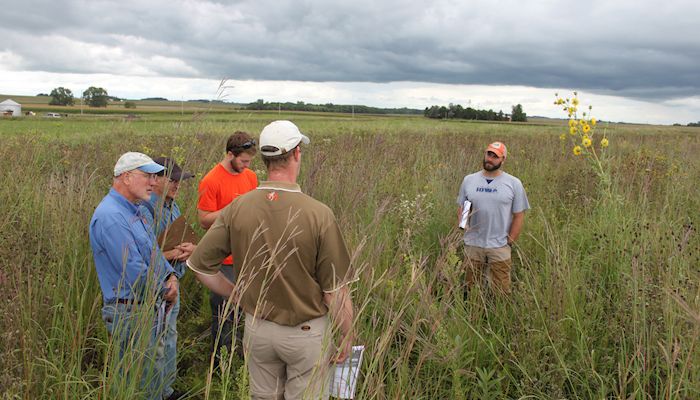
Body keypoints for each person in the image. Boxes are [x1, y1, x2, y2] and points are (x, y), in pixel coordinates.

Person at [187, 120, 355, 399]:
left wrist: (238, 295)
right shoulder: (319, 214)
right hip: (306, 333)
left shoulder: (238, 207)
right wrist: (348, 334)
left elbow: (199, 267)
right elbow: (334, 291)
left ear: (264, 159)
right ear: (297, 153)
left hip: (258, 329)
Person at [89, 152, 178, 399]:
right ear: (126, 178)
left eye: (154, 176)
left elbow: (154, 252)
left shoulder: (136, 211)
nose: (153, 182)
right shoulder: (111, 217)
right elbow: (135, 271)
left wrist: (171, 276)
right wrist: (165, 290)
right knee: (139, 385)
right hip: (130, 314)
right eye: (147, 176)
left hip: (146, 308)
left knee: (152, 378)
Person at [197, 131, 258, 359]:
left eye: (249, 161)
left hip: (248, 256)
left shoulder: (250, 177)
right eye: (243, 161)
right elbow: (204, 220)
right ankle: (222, 362)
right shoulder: (211, 180)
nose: (246, 166)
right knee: (224, 311)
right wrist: (232, 209)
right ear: (230, 154)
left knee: (245, 309)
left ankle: (241, 354)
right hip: (224, 261)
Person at [139, 157, 196, 400]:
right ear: (156, 179)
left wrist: (188, 250)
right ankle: (154, 393)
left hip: (174, 280)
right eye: (172, 180)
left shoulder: (174, 206)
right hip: (156, 286)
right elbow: (140, 255)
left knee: (170, 338)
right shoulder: (146, 209)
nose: (177, 185)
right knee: (156, 345)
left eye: (179, 181)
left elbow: (180, 239)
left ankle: (167, 390)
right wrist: (173, 253)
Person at [456, 141, 530, 295]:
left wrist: (509, 241)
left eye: (495, 156)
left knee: (501, 291)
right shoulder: (469, 180)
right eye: (488, 154)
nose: (490, 159)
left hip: (499, 246)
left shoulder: (513, 183)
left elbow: (518, 215)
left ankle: (496, 317)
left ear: (503, 160)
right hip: (473, 244)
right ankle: (473, 315)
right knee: (471, 289)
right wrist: (464, 228)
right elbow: (464, 206)